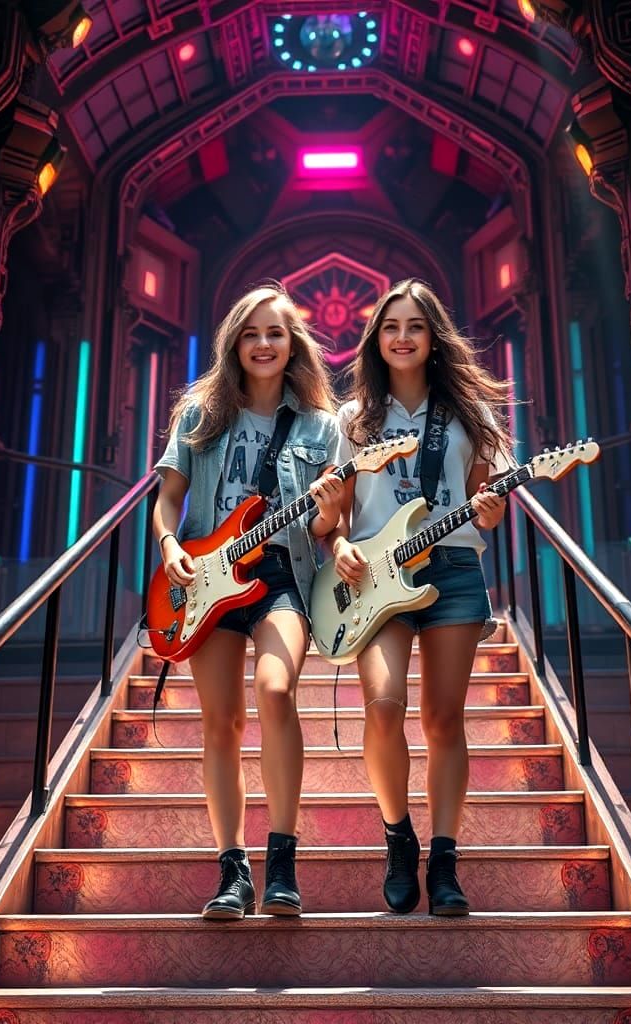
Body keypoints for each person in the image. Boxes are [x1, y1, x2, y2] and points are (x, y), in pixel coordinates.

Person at [152, 283, 343, 920]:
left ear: (295, 345)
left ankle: (282, 860)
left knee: (277, 690)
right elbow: (168, 499)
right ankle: (233, 870)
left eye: (276, 334)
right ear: (235, 341)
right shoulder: (201, 413)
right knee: (222, 724)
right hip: (205, 581)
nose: (264, 344)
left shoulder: (322, 427)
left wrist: (330, 517)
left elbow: (325, 527)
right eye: (252, 333)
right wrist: (169, 546)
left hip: (282, 575)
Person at [329, 278, 513, 916]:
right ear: (376, 340)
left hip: (455, 568)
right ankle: (398, 837)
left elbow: (486, 509)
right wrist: (338, 547)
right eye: (390, 327)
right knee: (382, 706)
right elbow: (337, 512)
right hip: (375, 579)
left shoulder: (469, 413)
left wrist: (489, 508)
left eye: (414, 326)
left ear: (434, 337)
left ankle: (444, 859)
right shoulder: (352, 420)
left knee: (442, 720)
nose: (402, 337)